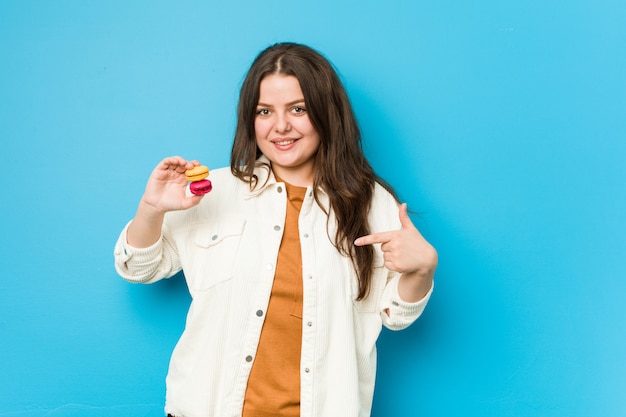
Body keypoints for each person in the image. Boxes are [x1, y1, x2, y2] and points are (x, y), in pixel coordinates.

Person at [114, 42, 437, 417]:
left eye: (298, 109)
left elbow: (396, 316)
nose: (280, 126)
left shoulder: (371, 204)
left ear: (326, 114)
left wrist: (421, 270)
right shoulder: (213, 191)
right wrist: (151, 210)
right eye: (264, 111)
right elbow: (138, 269)